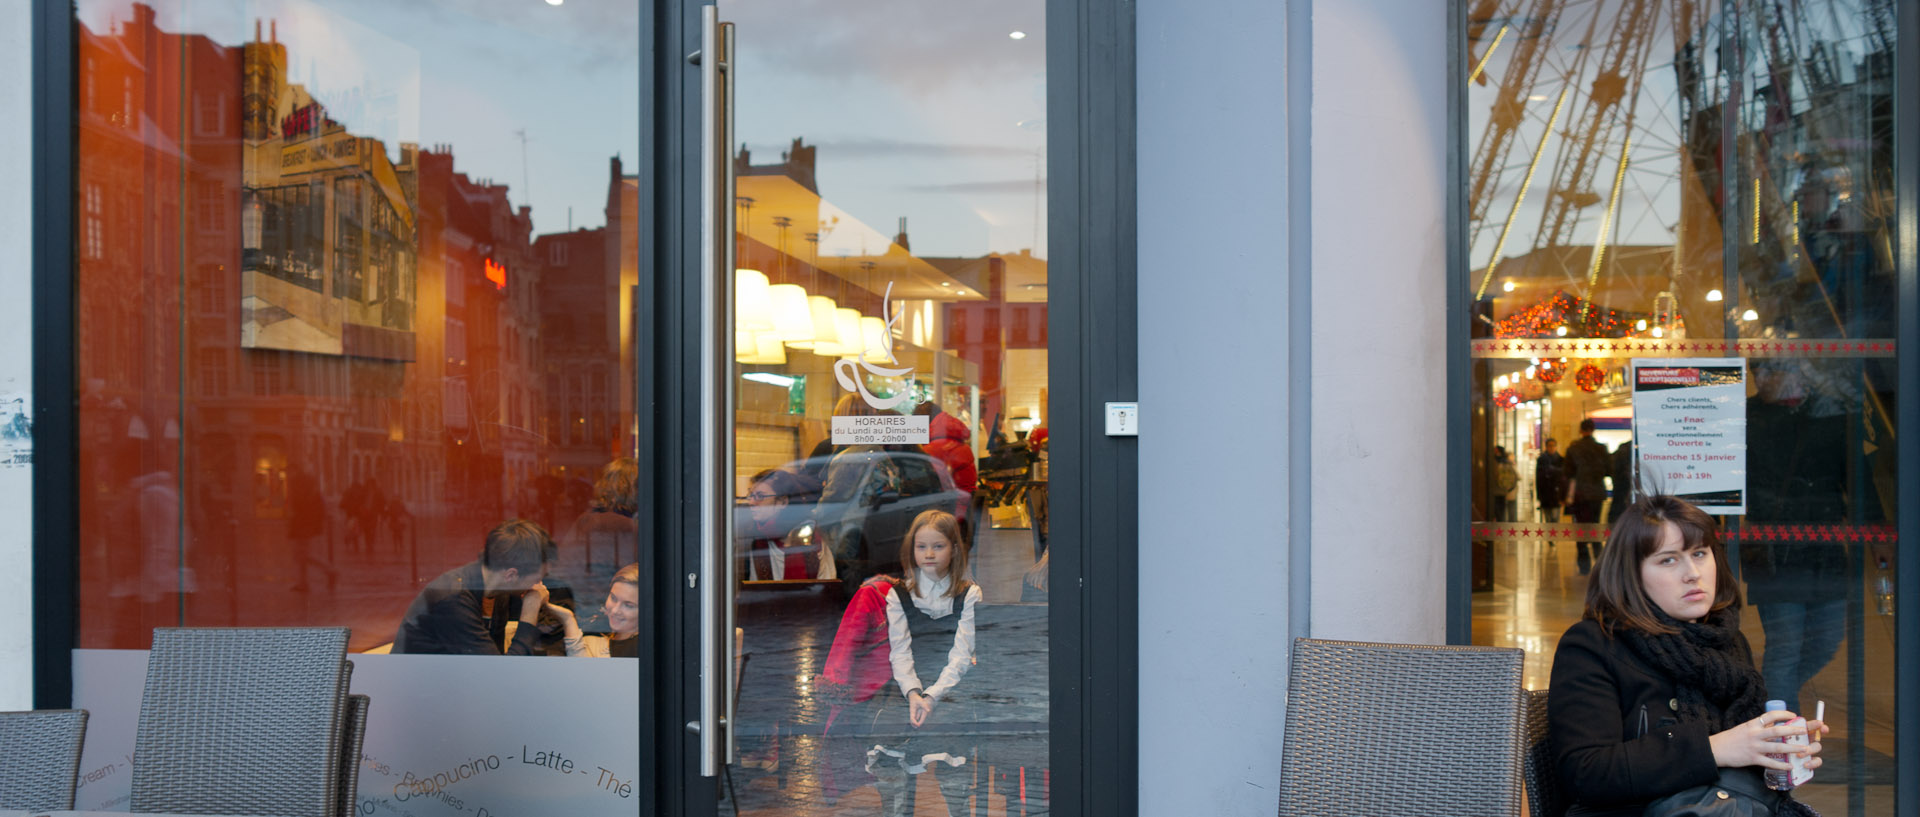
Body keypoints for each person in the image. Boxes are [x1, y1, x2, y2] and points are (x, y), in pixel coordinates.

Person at [1548, 495, 1829, 817]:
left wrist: (1777, 755)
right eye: (1668, 560)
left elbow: (1732, 780)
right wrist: (1714, 749)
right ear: (1631, 574)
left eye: (1699, 553)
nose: (1692, 573)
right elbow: (1586, 775)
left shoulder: (1727, 640)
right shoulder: (1595, 644)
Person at [391, 519, 553, 655]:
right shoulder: (454, 599)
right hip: (417, 689)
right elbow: (498, 675)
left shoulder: (496, 590)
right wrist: (531, 610)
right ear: (511, 575)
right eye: (537, 579)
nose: (538, 587)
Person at [739, 468, 835, 581]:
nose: (751, 502)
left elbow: (827, 588)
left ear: (782, 502)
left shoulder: (811, 539)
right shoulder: (755, 538)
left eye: (760, 496)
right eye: (751, 495)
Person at [544, 563, 640, 658]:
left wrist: (568, 620)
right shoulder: (595, 630)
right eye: (613, 598)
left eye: (628, 605)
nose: (615, 610)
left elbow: (584, 671)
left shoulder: (645, 647)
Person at [1565, 419, 1611, 575]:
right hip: (1597, 492)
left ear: (1580, 430)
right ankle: (1599, 560)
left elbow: (1567, 473)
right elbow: (1608, 470)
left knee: (1581, 528)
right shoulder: (1601, 449)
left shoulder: (1573, 449)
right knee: (1595, 525)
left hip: (1580, 493)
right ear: (1593, 429)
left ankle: (1584, 564)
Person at [1535, 438, 1567, 523]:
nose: (1551, 448)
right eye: (1549, 446)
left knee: (1555, 518)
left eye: (1553, 446)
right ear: (1546, 447)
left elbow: (1563, 478)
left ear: (1556, 447)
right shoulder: (1542, 460)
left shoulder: (1561, 460)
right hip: (1545, 493)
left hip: (1557, 493)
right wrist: (1539, 496)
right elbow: (1539, 479)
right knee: (1548, 519)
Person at [1492, 446, 1519, 522]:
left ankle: (1501, 526)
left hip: (1497, 490)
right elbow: (1517, 476)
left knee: (1500, 512)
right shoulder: (1509, 463)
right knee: (1508, 510)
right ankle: (1509, 526)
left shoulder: (1494, 462)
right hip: (1508, 490)